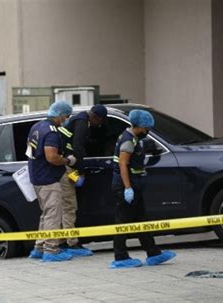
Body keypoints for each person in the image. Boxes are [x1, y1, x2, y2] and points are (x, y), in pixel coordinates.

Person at [110, 109, 176, 268]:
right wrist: (127, 188)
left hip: (135, 186)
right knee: (123, 223)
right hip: (125, 187)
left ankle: (153, 253)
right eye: (147, 128)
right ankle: (120, 257)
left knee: (141, 221)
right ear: (139, 126)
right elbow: (123, 165)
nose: (148, 131)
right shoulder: (128, 141)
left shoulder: (134, 138)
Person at [27, 101, 77, 262]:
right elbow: (51, 157)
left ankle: (39, 247)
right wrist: (67, 161)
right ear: (61, 115)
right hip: (48, 179)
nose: (67, 119)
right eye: (67, 116)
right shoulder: (51, 132)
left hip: (37, 176)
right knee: (53, 215)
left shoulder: (37, 127)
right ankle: (51, 250)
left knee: (47, 214)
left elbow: (30, 152)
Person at [57, 104, 108, 256]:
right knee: (69, 206)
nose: (99, 125)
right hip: (67, 166)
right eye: (100, 122)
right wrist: (80, 171)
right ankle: (71, 244)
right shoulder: (82, 123)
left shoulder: (79, 119)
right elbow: (77, 147)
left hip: (65, 164)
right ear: (96, 117)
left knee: (65, 207)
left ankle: (63, 241)